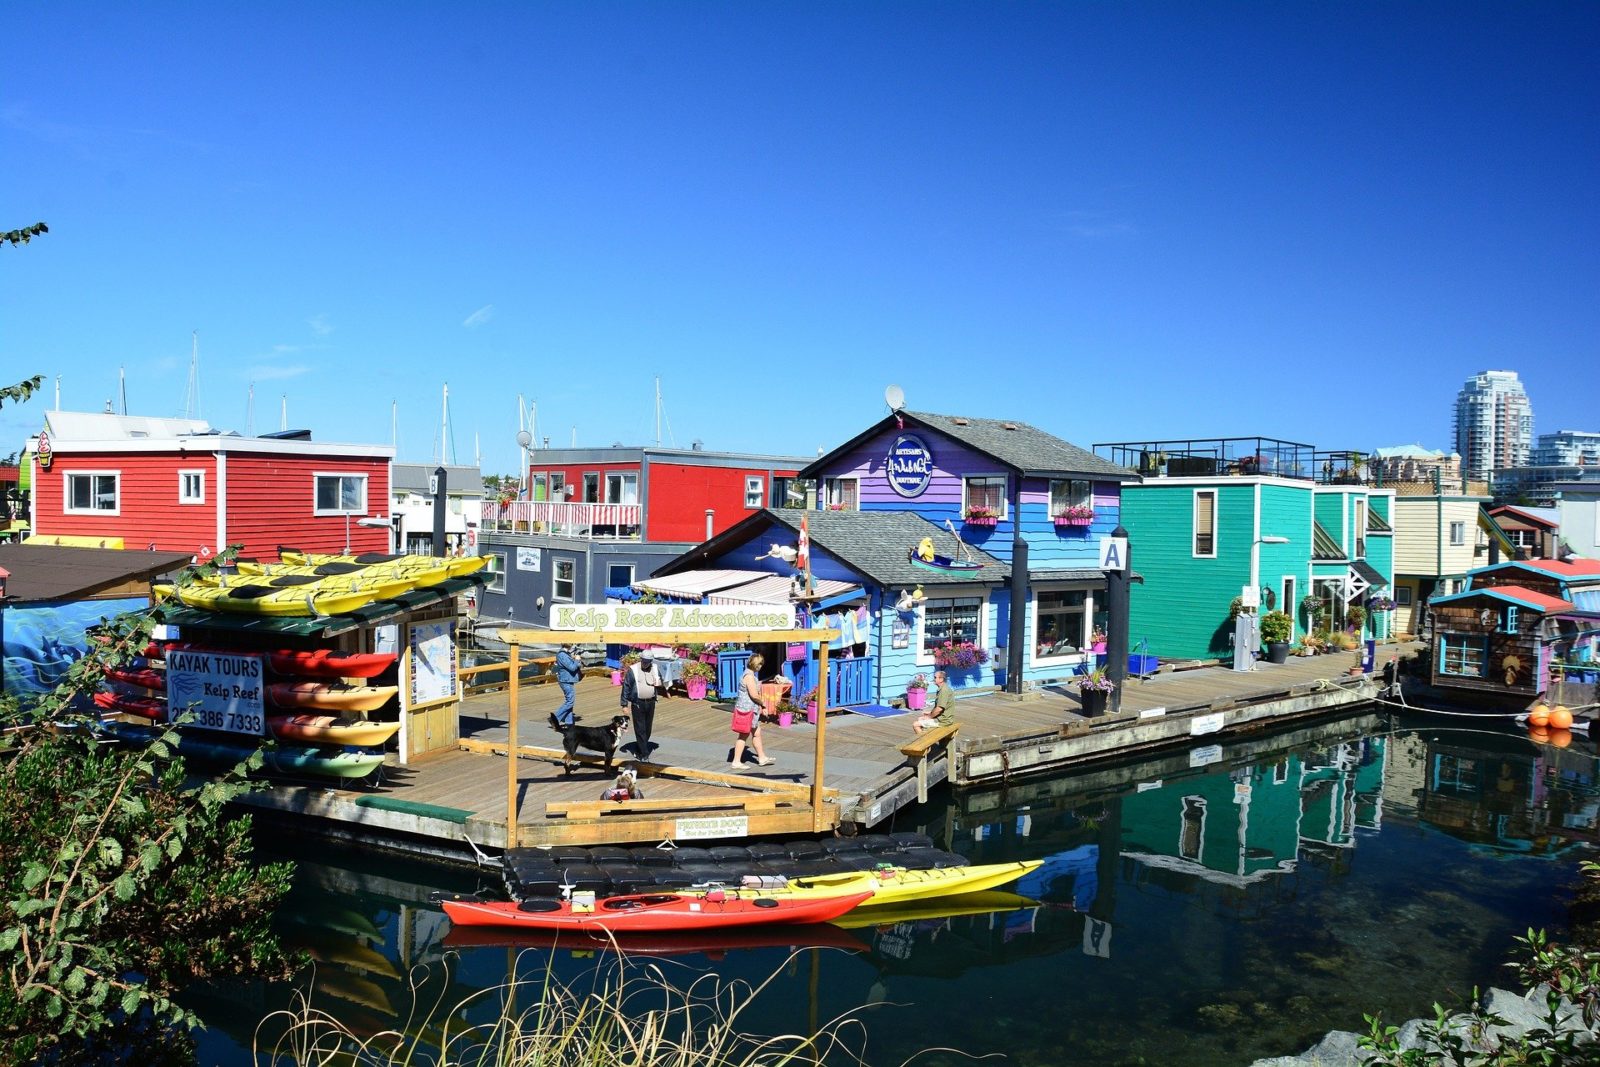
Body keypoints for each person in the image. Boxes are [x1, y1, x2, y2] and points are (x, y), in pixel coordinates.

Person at [730, 653, 776, 768]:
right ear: (756, 664)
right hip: (747, 710)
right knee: (744, 735)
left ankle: (762, 757)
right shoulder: (749, 677)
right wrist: (764, 705)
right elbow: (754, 695)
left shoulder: (750, 675)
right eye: (760, 664)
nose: (761, 666)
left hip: (751, 710)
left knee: (756, 733)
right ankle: (736, 761)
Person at [620, 655, 661, 757]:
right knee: (640, 728)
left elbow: (661, 680)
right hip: (638, 702)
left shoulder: (655, 668)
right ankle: (644, 754)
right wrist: (624, 704)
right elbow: (626, 686)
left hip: (651, 702)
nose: (645, 663)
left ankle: (640, 748)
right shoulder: (633, 670)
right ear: (641, 659)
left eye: (647, 662)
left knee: (648, 728)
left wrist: (659, 682)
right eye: (643, 661)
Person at [912, 670, 956, 734]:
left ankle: (925, 742)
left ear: (941, 679)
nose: (934, 679)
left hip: (943, 721)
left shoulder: (943, 691)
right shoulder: (944, 688)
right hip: (944, 718)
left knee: (915, 725)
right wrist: (930, 712)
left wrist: (929, 717)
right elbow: (942, 708)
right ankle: (927, 738)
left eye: (935, 677)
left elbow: (939, 709)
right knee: (920, 718)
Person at [550, 643, 582, 729]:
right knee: (570, 701)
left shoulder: (566, 654)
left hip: (568, 680)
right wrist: (577, 660)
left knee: (569, 701)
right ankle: (554, 719)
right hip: (565, 680)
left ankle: (569, 723)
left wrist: (575, 658)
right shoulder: (562, 655)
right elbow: (572, 667)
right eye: (572, 643)